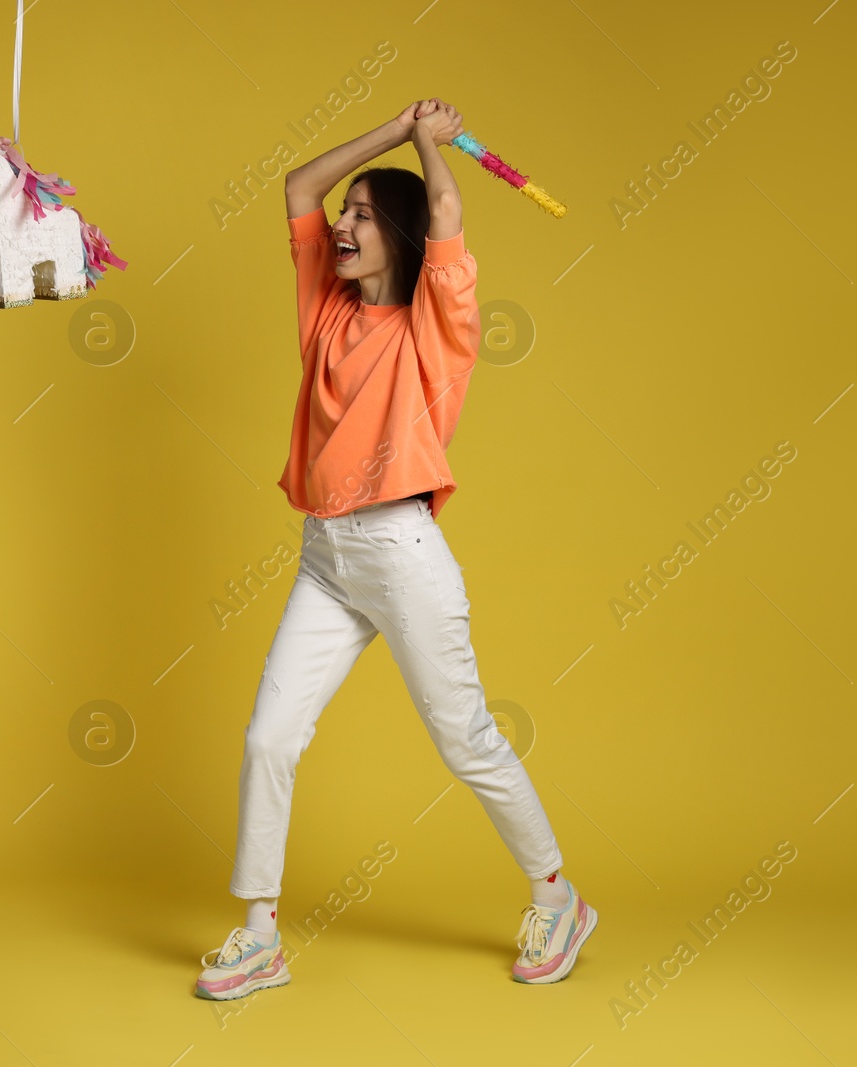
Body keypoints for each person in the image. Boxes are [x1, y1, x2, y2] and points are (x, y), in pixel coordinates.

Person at [194, 98, 596, 1001]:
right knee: (269, 737)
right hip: (327, 556)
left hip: (402, 550)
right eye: (348, 213)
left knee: (465, 738)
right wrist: (397, 122)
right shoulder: (324, 311)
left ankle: (557, 896)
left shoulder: (437, 328)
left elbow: (448, 214)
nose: (341, 222)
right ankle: (259, 933)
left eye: (365, 216)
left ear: (401, 236)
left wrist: (429, 141)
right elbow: (299, 183)